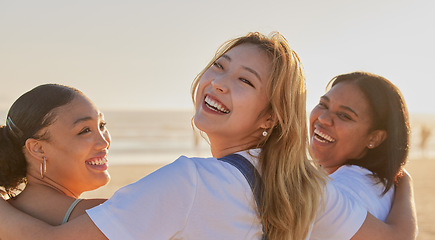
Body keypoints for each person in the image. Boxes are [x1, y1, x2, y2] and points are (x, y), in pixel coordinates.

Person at [0, 32, 416, 240]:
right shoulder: (303, 187)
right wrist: (405, 186)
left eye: (244, 81)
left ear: (270, 116)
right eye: (220, 66)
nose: (218, 82)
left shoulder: (189, 182)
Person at [0, 84, 111, 225]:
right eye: (85, 130)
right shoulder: (101, 217)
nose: (104, 142)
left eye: (102, 125)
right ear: (38, 149)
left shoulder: (7, 214)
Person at [309, 72, 410, 222]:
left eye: (344, 115)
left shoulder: (335, 192)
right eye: (323, 105)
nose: (323, 119)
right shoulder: (380, 185)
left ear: (374, 138)